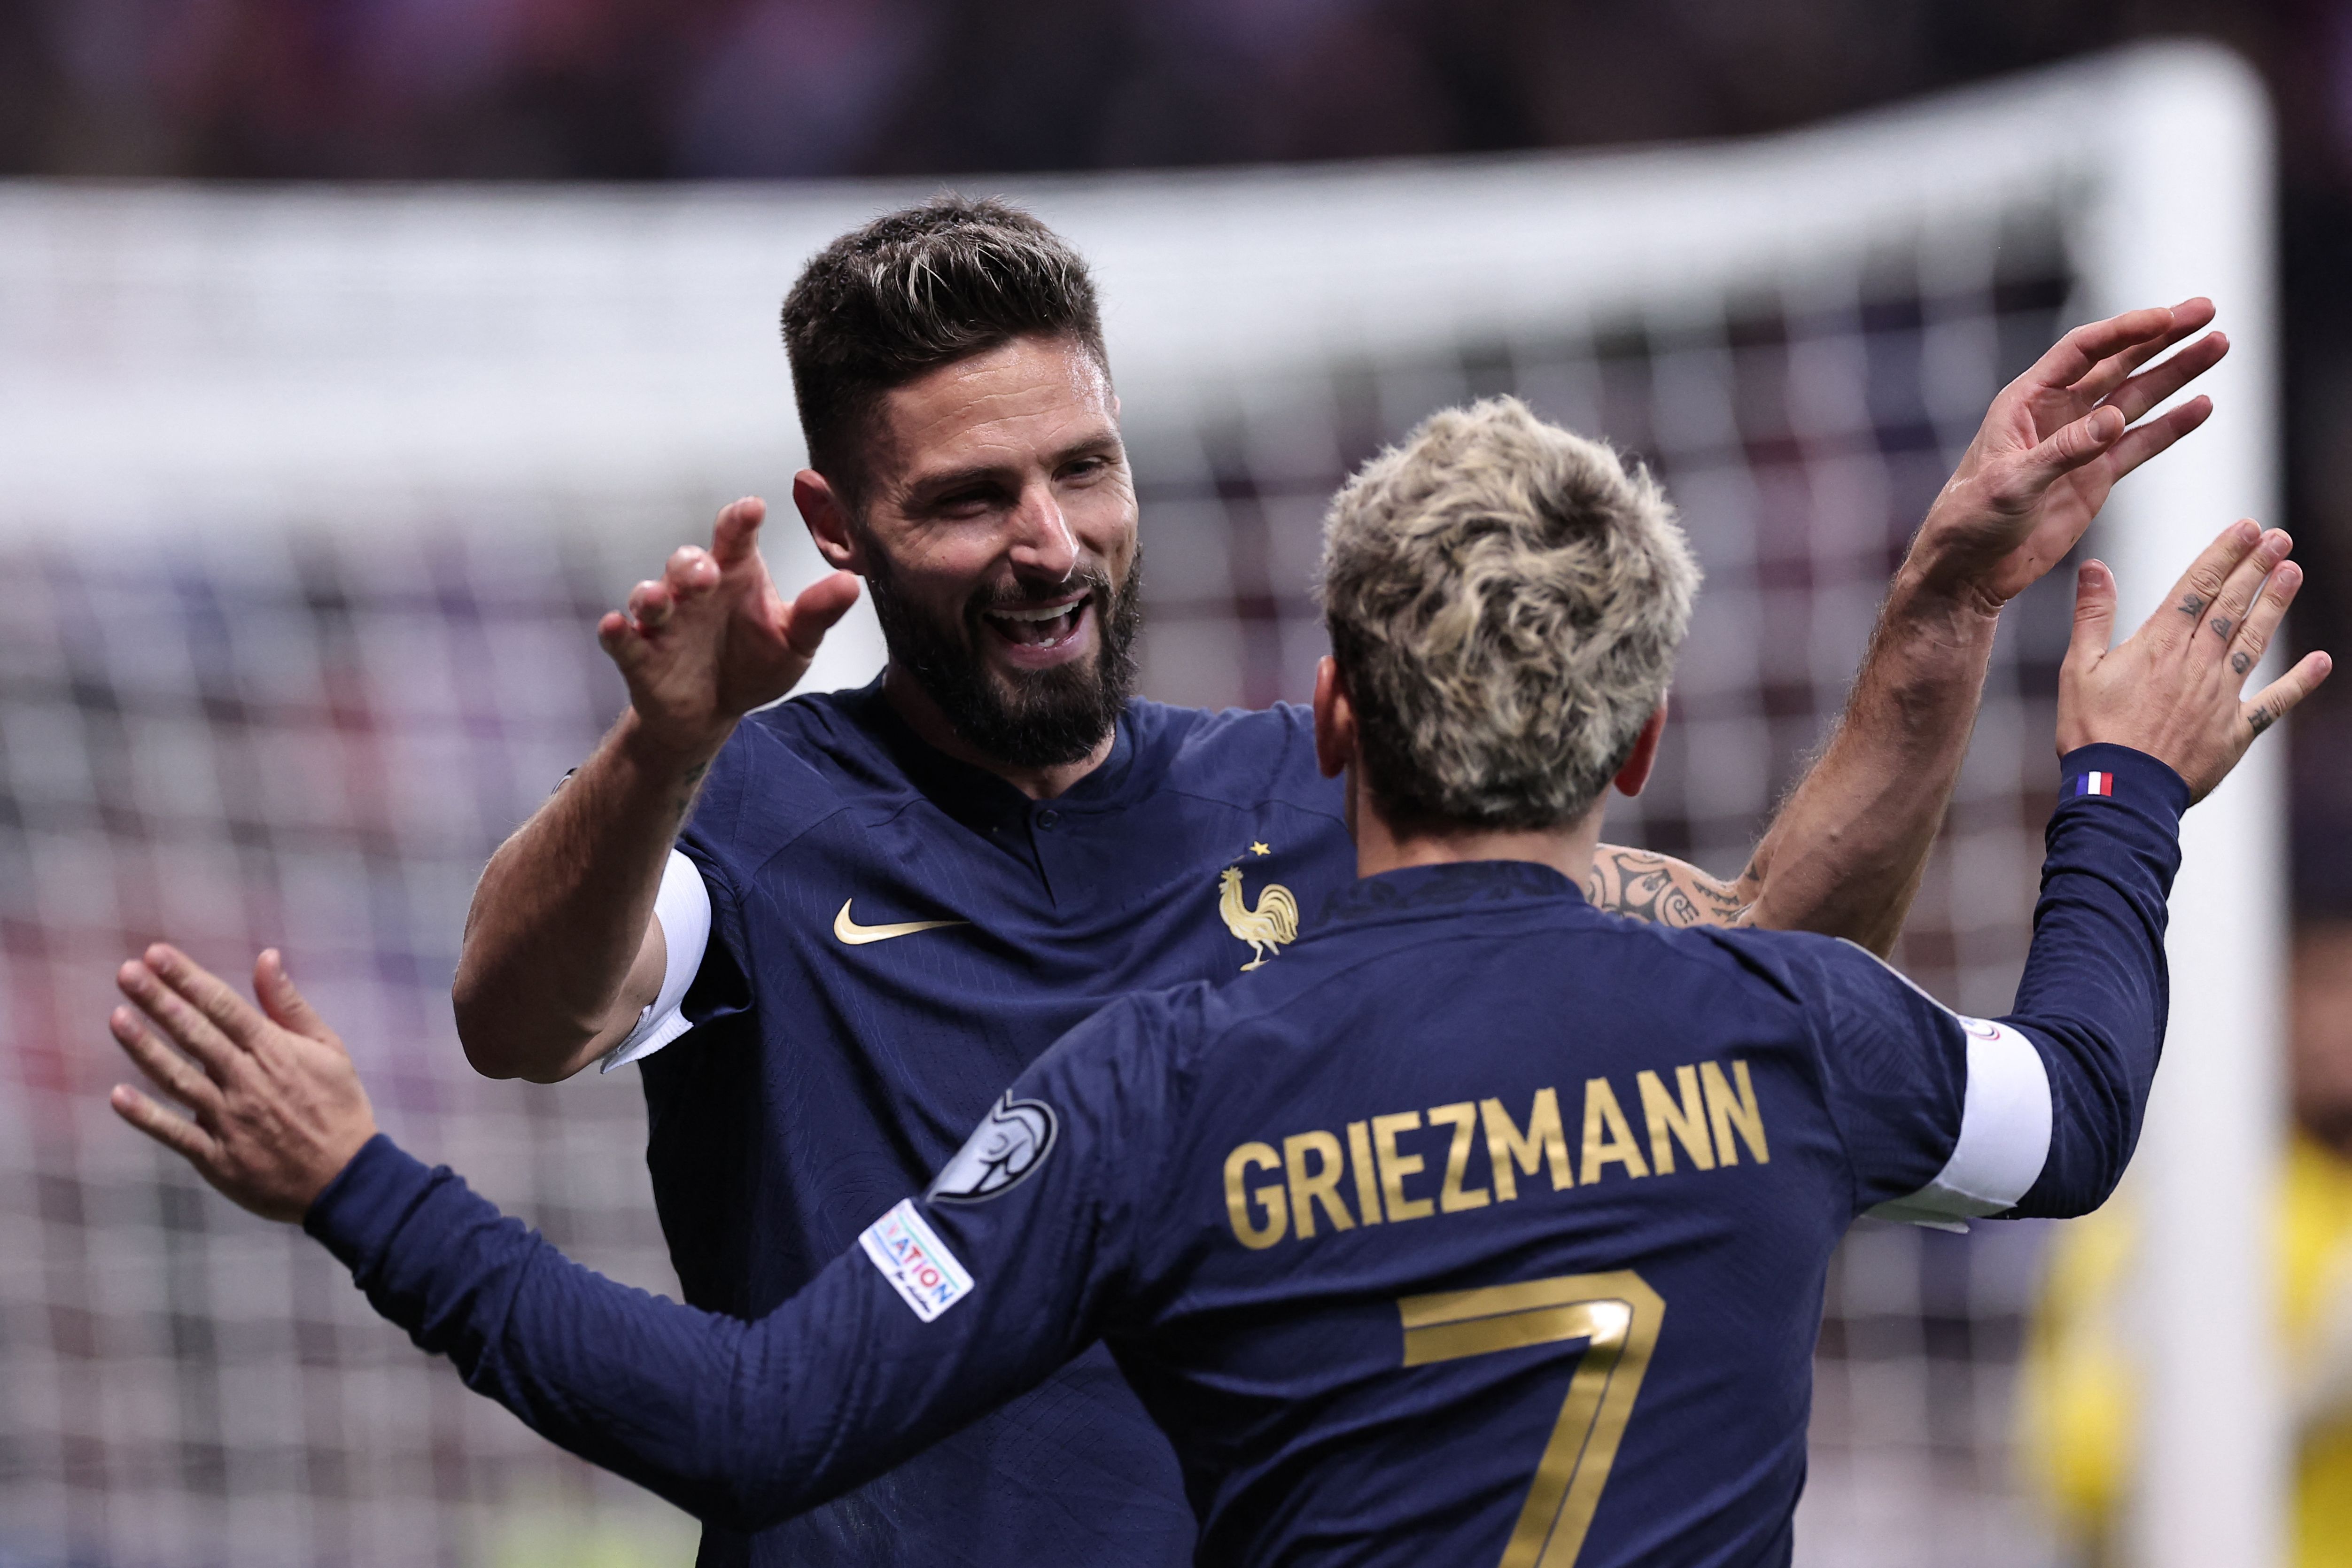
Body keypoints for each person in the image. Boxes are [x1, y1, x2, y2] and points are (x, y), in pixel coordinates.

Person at [107, 398, 2326, 1566]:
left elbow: (751, 1416)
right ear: (1638, 744)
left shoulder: (1163, 1079)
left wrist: (360, 1182)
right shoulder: (1788, 1031)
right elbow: (2079, 1102)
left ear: (1331, 714)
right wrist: (2117, 786)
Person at [2019, 917, 2352, 1567]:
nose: (2340, 1022)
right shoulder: (2176, 1213)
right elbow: (2077, 1460)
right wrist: (2294, 1398)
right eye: (2325, 987)